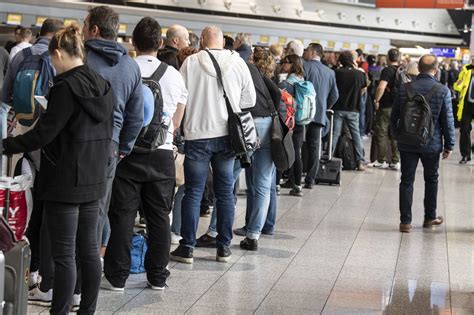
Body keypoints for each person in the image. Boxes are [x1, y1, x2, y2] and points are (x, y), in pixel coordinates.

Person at [3, 22, 115, 314]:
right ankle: (87, 310)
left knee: (64, 255)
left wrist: (7, 145)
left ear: (61, 54)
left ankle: (60, 310)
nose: (53, 64)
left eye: (53, 59)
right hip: (94, 178)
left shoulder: (65, 87)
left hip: (64, 180)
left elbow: (44, 134)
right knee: (89, 251)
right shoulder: (103, 85)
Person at [102, 17, 187, 291]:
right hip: (161, 154)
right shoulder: (175, 76)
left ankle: (117, 276)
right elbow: (176, 121)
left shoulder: (123, 69)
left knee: (123, 215)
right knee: (159, 217)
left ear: (133, 43)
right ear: (160, 44)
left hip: (127, 154)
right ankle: (157, 276)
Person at [170, 25, 255, 264]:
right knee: (225, 193)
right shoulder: (238, 63)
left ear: (203, 42)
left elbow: (181, 97)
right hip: (227, 137)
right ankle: (223, 248)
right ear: (221, 41)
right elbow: (250, 99)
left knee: (193, 192)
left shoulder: (191, 63)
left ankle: (187, 247)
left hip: (197, 135)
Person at [1, 18, 64, 306]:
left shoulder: (21, 55)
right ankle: (38, 267)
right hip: (48, 144)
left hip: (21, 137)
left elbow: (5, 97)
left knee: (21, 199)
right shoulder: (58, 61)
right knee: (44, 205)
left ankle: (24, 264)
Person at [82, 5, 144, 263]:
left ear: (94, 29)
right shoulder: (131, 67)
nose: (82, 30)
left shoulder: (79, 58)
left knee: (62, 209)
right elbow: (137, 117)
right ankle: (86, 281)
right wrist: (122, 147)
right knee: (97, 212)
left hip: (74, 142)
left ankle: (56, 279)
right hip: (110, 145)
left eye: (84, 25)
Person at [391, 54, 455, 233]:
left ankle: (405, 222)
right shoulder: (442, 91)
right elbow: (447, 121)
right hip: (431, 144)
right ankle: (429, 217)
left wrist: (398, 136)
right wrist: (449, 144)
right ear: (436, 69)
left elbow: (393, 117)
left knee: (406, 180)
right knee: (431, 179)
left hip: (407, 142)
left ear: (418, 68)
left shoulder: (405, 88)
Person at [239, 47, 280, 250]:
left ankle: (216, 231)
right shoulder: (265, 76)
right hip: (267, 124)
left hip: (248, 123)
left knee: (231, 177)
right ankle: (254, 234)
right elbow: (276, 94)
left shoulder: (249, 71)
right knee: (264, 184)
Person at [303, 43, 339, 189]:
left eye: (306, 50)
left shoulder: (304, 67)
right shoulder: (330, 72)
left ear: (312, 52)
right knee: (314, 147)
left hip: (301, 113)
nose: (305, 52)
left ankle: (294, 177)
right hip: (319, 115)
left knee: (297, 144)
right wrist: (325, 106)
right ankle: (310, 179)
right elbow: (335, 95)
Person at [331, 51, 367, 171]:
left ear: (340, 60)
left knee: (335, 134)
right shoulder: (359, 74)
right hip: (353, 109)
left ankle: (329, 157)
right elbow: (363, 89)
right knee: (356, 134)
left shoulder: (336, 73)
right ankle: (360, 161)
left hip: (338, 108)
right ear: (352, 60)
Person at [279, 54, 307, 196]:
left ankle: (277, 184)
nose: (282, 64)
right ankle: (297, 185)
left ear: (291, 64)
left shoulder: (285, 84)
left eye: (285, 62)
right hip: (300, 122)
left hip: (287, 122)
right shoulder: (303, 81)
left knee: (281, 150)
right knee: (296, 153)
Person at [373, 48, 401, 169]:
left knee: (382, 132)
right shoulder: (402, 71)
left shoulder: (387, 70)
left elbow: (381, 87)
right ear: (398, 58)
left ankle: (381, 160)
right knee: (394, 134)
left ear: (388, 58)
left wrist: (376, 100)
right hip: (398, 106)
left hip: (386, 106)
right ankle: (396, 161)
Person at [454, 55, 474, 164]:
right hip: (467, 105)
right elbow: (457, 85)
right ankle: (465, 155)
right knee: (464, 130)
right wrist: (459, 84)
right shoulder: (467, 69)